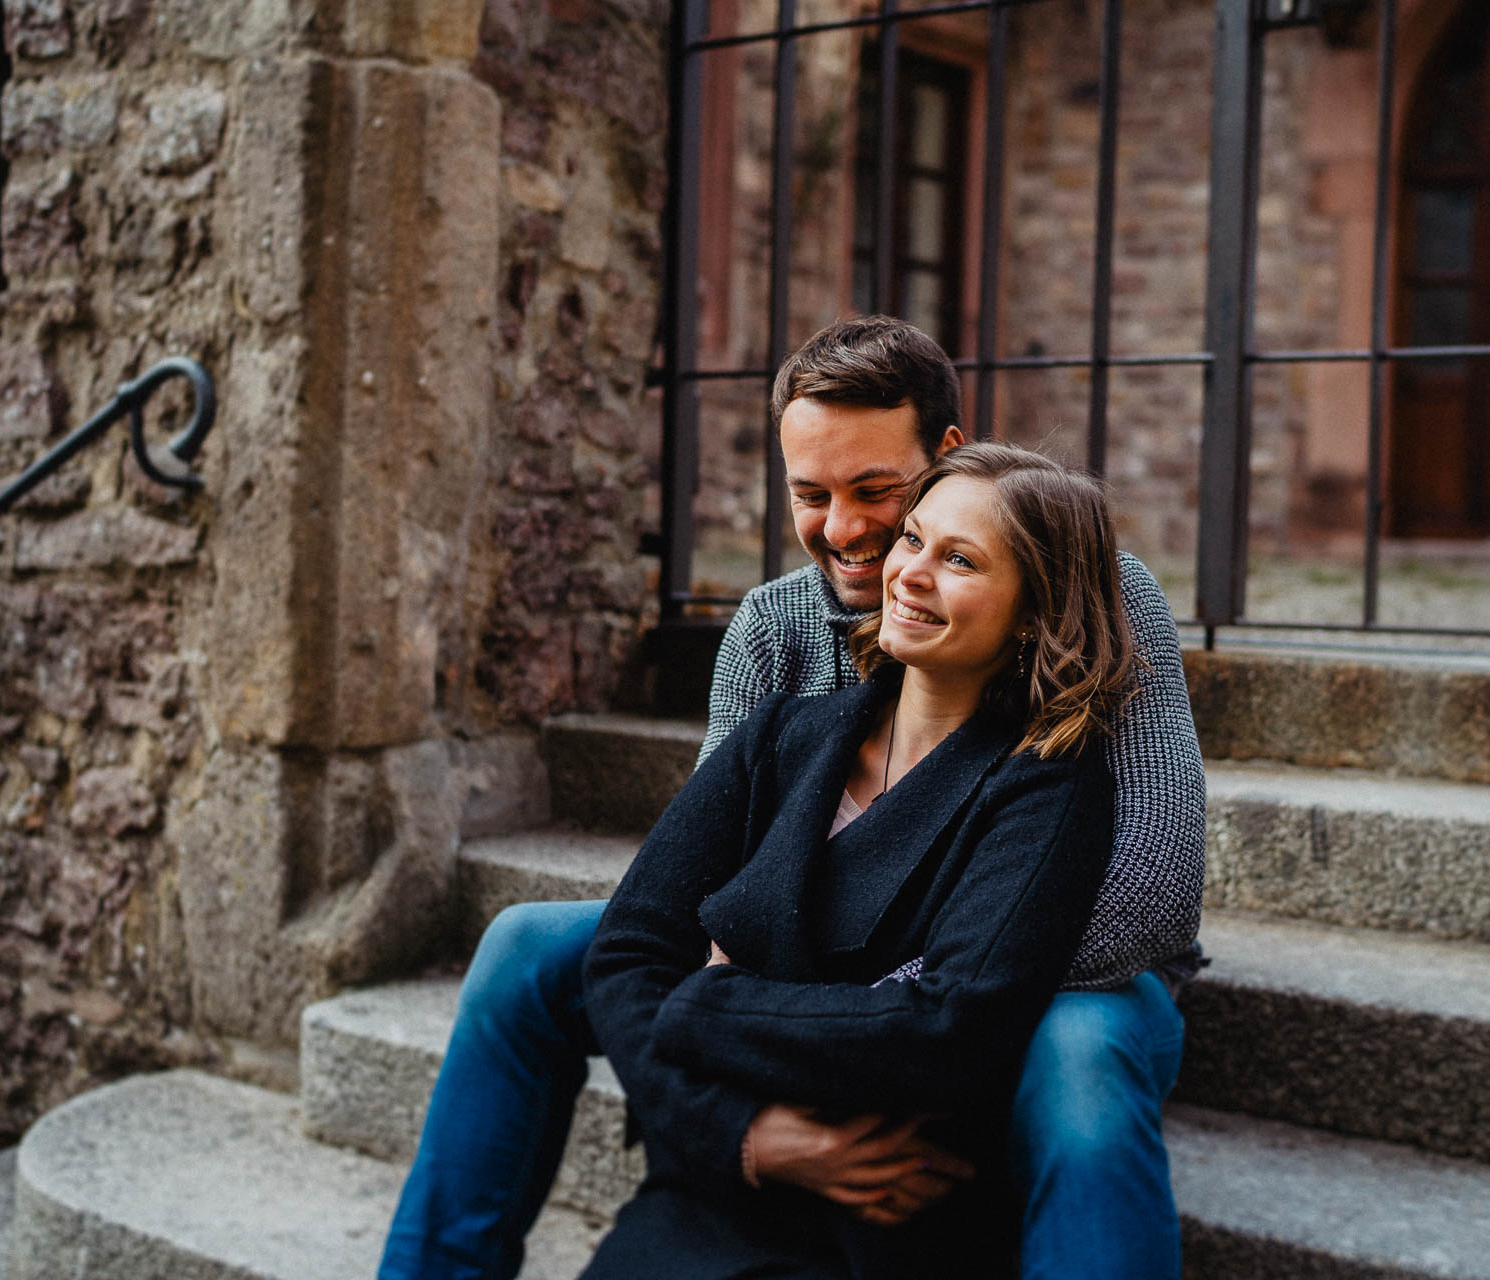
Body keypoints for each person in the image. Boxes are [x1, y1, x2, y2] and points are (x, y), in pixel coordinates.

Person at [379, 316, 1205, 1280]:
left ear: (945, 459)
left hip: (1057, 967)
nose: (848, 530)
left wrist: (874, 995)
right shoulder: (771, 630)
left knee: (1080, 1071)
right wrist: (738, 1126)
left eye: (875, 491)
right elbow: (702, 887)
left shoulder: (1086, 583)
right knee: (527, 947)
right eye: (811, 495)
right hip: (810, 954)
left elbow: (1150, 888)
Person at [579, 443, 1131, 1279]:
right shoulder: (780, 737)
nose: (910, 573)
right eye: (913, 539)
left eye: (960, 560)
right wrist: (748, 1139)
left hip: (879, 1223)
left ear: (1032, 611)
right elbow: (627, 955)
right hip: (709, 1192)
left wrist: (706, 998)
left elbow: (951, 1031)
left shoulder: (1046, 787)